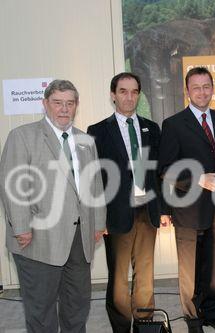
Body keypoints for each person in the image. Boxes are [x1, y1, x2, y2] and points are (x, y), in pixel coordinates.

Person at [0, 79, 106, 333]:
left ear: (76, 106)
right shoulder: (22, 136)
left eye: (69, 103)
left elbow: (95, 187)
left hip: (80, 240)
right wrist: (21, 228)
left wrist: (99, 224)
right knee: (42, 310)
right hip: (37, 239)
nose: (63, 109)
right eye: (57, 103)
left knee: (77, 306)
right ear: (45, 103)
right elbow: (11, 186)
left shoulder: (84, 140)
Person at [158, 67, 215, 333]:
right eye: (196, 87)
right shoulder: (173, 124)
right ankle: (193, 321)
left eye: (207, 86)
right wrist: (198, 179)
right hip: (188, 209)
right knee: (190, 271)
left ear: (213, 88)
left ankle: (212, 313)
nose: (202, 92)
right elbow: (166, 169)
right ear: (187, 91)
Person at [87, 72, 169, 333]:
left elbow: (158, 173)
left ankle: (144, 325)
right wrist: (99, 219)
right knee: (119, 278)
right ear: (113, 95)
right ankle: (121, 327)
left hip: (148, 211)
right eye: (123, 91)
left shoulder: (151, 128)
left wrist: (164, 209)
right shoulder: (98, 131)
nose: (129, 96)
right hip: (116, 214)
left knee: (145, 275)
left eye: (134, 91)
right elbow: (95, 181)